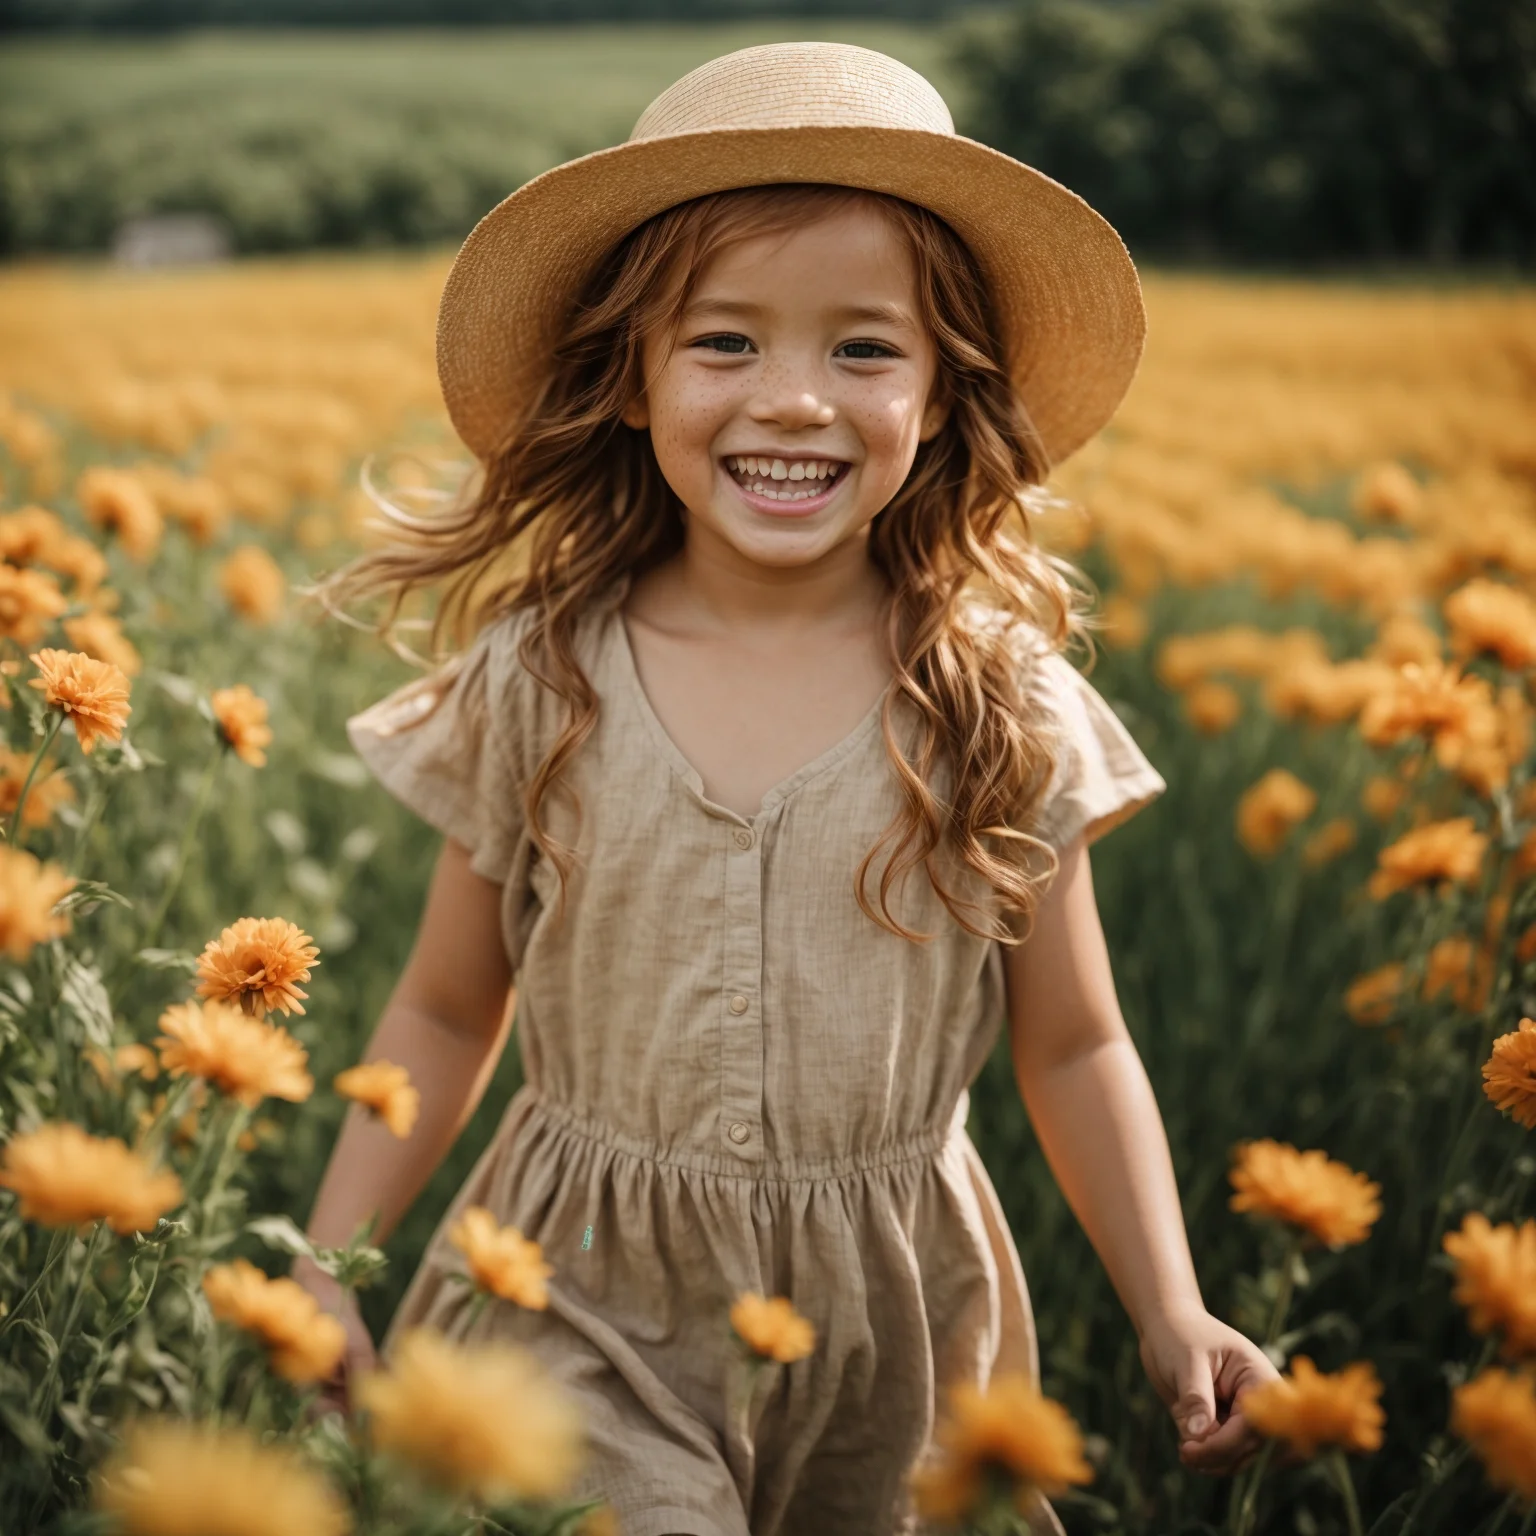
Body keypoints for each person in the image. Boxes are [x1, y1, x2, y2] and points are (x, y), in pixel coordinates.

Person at [293, 40, 1279, 1536]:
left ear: (947, 396)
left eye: (865, 350)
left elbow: (1074, 1045)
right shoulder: (546, 675)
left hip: (894, 1330)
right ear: (631, 380)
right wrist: (328, 1263)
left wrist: (1174, 1308)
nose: (796, 401)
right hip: (575, 1301)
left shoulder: (995, 702)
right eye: (727, 343)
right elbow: (443, 1008)